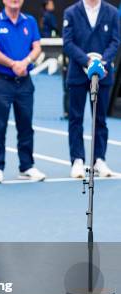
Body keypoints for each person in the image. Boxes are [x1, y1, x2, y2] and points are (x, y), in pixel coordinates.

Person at [0, 0, 46, 183]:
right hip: (3, 82)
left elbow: (37, 47)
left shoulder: (30, 21)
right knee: (0, 125)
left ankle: (27, 166)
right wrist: (13, 64)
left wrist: (25, 63)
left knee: (26, 125)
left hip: (25, 82)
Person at [63, 0, 119, 178]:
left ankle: (99, 159)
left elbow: (115, 41)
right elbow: (68, 42)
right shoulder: (71, 12)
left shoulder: (111, 12)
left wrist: (101, 62)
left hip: (103, 75)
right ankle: (77, 160)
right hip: (78, 75)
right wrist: (87, 61)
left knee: (100, 119)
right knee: (76, 118)